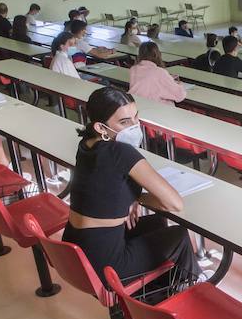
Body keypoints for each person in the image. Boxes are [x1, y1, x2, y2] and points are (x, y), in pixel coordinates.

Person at [63, 86, 199, 287]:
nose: (134, 126)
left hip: (76, 246)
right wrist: (139, 197)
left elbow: (105, 185)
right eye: (124, 122)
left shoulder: (86, 144)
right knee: (179, 235)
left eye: (136, 117)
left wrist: (134, 197)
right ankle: (185, 290)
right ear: (101, 127)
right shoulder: (121, 152)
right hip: (104, 265)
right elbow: (174, 204)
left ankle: (156, 293)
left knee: (157, 224)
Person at [129, 41, 187, 105]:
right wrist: (180, 85)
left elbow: (149, 82)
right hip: (156, 108)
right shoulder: (159, 72)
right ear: (157, 54)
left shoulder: (133, 69)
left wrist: (168, 78)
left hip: (137, 104)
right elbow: (180, 96)